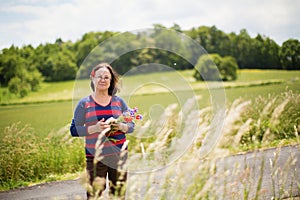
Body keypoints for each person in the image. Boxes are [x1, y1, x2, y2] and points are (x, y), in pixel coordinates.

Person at [70, 62, 134, 199]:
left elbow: (131, 126)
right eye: (99, 76)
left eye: (106, 77)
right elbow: (74, 130)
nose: (103, 80)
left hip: (119, 156)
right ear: (92, 78)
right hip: (95, 157)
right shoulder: (84, 104)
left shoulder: (119, 102)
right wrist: (95, 128)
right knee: (94, 195)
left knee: (118, 195)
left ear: (111, 81)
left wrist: (121, 126)